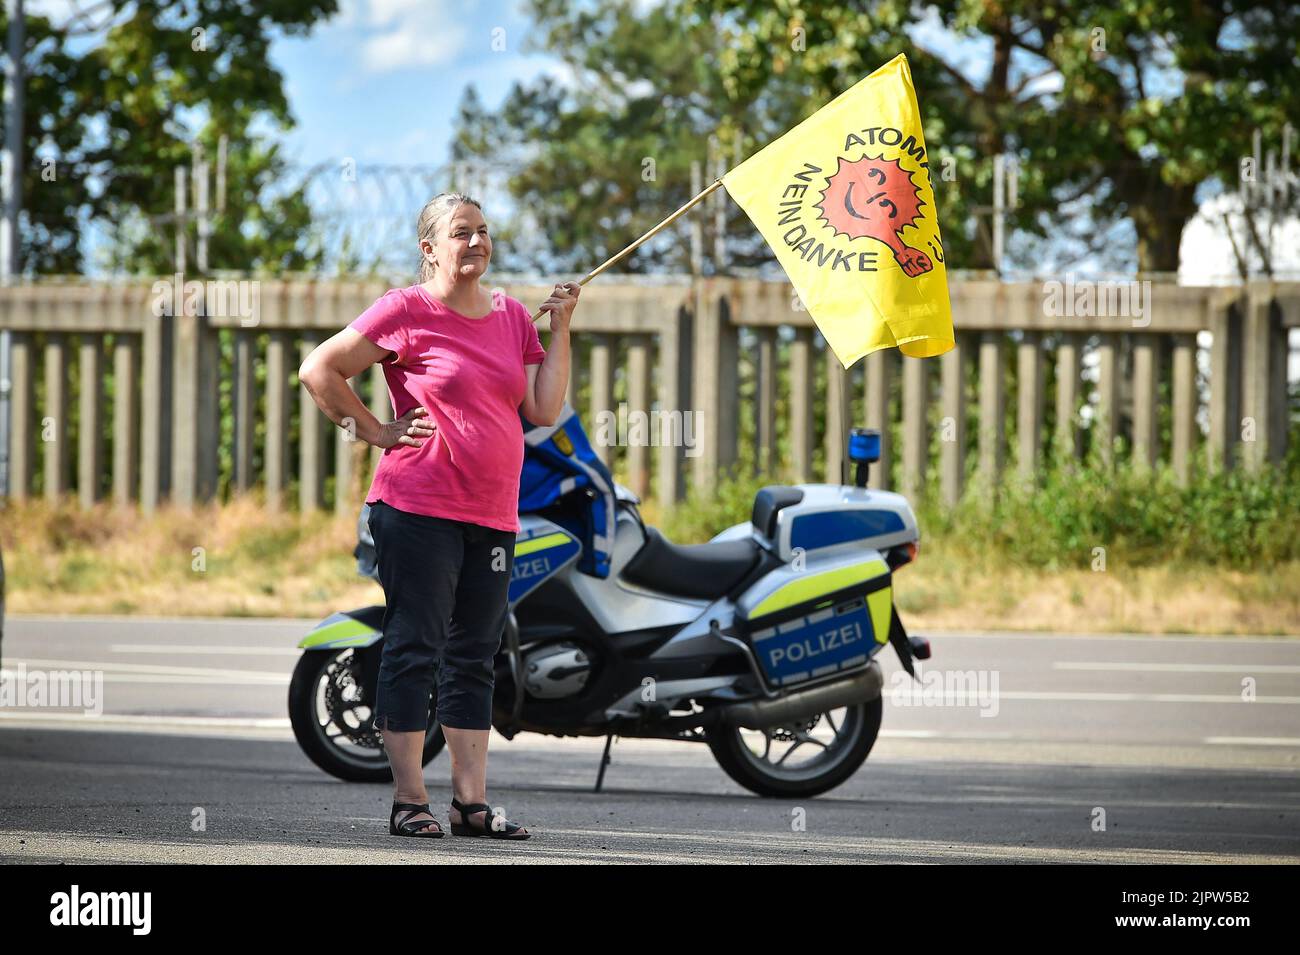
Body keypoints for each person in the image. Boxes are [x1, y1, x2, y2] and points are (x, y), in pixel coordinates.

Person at [298, 192, 578, 840]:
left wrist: (560, 328)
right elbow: (320, 370)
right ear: (430, 249)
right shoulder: (405, 310)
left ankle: (471, 804)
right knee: (415, 645)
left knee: (475, 654)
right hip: (416, 506)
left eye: (483, 231)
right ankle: (409, 800)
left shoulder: (512, 317)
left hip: (494, 514)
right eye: (461, 233)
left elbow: (542, 408)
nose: (477, 242)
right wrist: (373, 430)